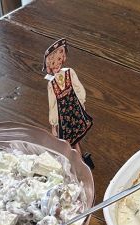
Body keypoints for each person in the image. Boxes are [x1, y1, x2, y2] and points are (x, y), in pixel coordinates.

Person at [44, 38, 94, 169]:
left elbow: (78, 88)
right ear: (49, 65)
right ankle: (79, 161)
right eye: (53, 62)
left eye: (59, 60)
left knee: (76, 138)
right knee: (70, 140)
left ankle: (80, 160)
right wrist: (54, 124)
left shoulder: (69, 72)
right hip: (63, 115)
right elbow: (53, 104)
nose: (56, 64)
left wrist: (82, 103)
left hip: (74, 110)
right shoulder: (51, 84)